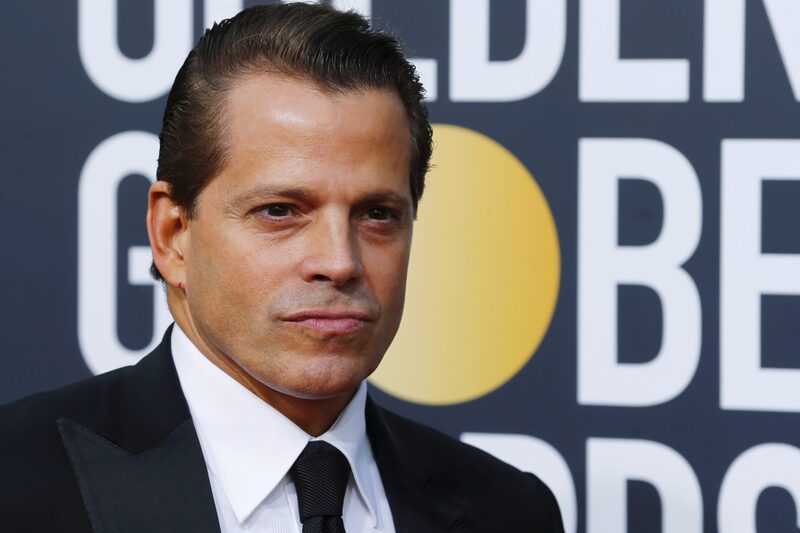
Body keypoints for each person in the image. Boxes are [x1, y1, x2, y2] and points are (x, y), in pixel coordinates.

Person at [0, 4, 564, 532]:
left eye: (377, 214)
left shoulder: (510, 511)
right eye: (280, 211)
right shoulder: (18, 482)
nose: (339, 262)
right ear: (172, 235)